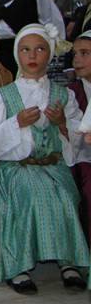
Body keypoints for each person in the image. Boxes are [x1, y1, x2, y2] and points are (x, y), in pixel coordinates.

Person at [0, 23, 88, 294]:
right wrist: (16, 123)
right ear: (18, 54)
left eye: (40, 49)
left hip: (53, 165)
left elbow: (80, 136)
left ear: (50, 54)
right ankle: (17, 266)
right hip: (16, 167)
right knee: (31, 192)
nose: (32, 56)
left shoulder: (63, 95)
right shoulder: (1, 96)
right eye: (26, 50)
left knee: (67, 196)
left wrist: (62, 124)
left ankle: (69, 261)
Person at [70, 30, 91, 242]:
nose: (77, 59)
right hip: (82, 159)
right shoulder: (71, 92)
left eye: (85, 53)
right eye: (75, 53)